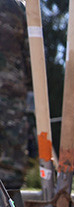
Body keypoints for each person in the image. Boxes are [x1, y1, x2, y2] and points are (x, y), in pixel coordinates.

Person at [0, 0, 31, 190]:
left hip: (12, 85)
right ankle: (11, 188)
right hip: (12, 84)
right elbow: (29, 49)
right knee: (13, 138)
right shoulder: (18, 7)